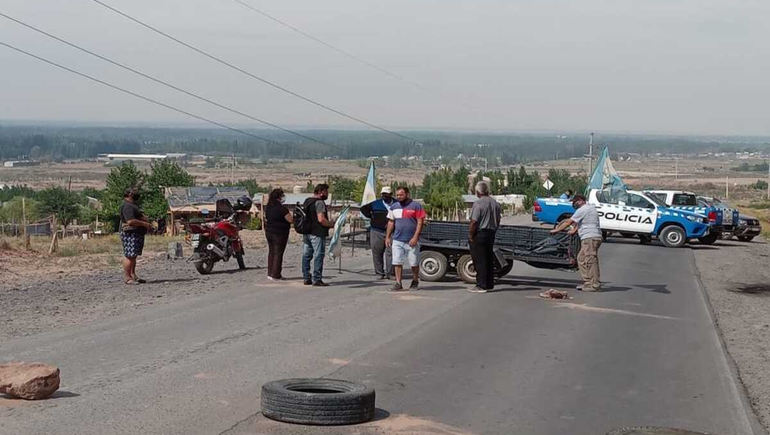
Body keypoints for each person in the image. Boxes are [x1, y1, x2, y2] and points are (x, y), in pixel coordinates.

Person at [551, 194, 602, 292]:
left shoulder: (583, 209)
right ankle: (588, 282)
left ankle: (594, 285)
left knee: (590, 260)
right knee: (581, 258)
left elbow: (567, 222)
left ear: (581, 200)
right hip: (592, 237)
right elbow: (583, 223)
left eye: (575, 202)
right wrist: (574, 231)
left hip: (590, 238)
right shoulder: (590, 209)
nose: (574, 204)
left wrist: (556, 230)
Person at [385, 187, 426, 291]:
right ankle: (398, 283)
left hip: (411, 240)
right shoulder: (394, 207)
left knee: (414, 262)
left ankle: (415, 280)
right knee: (397, 262)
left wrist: (415, 237)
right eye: (397, 195)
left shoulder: (416, 206)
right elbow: (391, 222)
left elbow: (420, 222)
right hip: (398, 240)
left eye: (401, 194)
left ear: (407, 194)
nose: (399, 197)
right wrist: (388, 237)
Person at [467, 181, 502, 294]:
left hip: (480, 234)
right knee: (488, 259)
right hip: (491, 233)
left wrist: (471, 235)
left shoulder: (478, 204)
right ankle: (489, 284)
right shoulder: (495, 203)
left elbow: (474, 222)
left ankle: (481, 285)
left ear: (478, 192)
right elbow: (498, 220)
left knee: (479, 260)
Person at [302, 184, 335, 286]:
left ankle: (306, 277)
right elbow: (321, 219)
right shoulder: (319, 203)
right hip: (317, 233)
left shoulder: (307, 201)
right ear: (321, 192)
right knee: (318, 255)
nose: (327, 194)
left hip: (307, 232)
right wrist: (331, 224)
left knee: (306, 255)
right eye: (326, 192)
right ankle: (317, 279)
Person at [360, 186, 395, 279]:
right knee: (377, 252)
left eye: (386, 194)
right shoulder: (376, 204)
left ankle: (391, 273)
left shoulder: (397, 204)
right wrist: (372, 217)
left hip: (392, 232)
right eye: (383, 194)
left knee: (391, 252)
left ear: (391, 195)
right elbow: (363, 209)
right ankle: (379, 272)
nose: (384, 196)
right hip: (377, 230)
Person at [120, 187, 152, 285]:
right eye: (134, 192)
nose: (137, 193)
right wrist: (144, 224)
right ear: (129, 194)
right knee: (129, 255)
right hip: (130, 234)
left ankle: (133, 275)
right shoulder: (127, 206)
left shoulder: (132, 205)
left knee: (133, 256)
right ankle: (127, 277)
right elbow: (130, 221)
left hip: (136, 233)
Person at [264, 188, 294, 281]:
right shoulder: (282, 208)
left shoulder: (268, 207)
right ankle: (276, 274)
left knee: (271, 252)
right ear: (279, 197)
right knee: (278, 253)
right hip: (280, 233)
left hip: (269, 231)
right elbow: (290, 220)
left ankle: (270, 273)